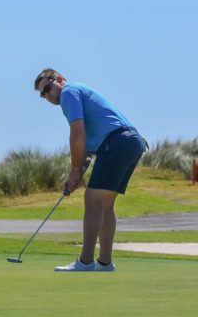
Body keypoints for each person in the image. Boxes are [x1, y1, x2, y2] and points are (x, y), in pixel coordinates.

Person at [34, 68, 146, 272]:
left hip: (118, 142)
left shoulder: (69, 92)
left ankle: (85, 261)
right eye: (43, 94)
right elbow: (86, 150)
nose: (48, 95)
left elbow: (77, 133)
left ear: (59, 79)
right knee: (105, 205)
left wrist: (75, 170)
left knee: (92, 200)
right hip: (131, 143)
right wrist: (78, 173)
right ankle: (105, 263)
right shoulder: (76, 93)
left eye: (49, 88)